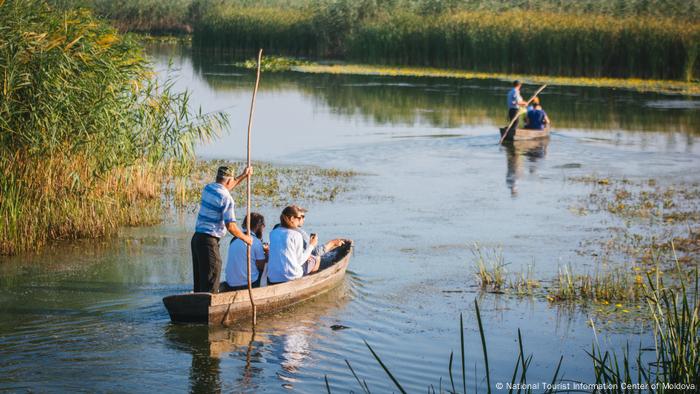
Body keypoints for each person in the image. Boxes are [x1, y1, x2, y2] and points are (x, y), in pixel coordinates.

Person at [191, 165, 253, 293]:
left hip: (196, 239)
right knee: (211, 280)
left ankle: (196, 306)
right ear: (229, 181)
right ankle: (208, 309)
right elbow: (231, 226)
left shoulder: (208, 188)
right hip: (209, 241)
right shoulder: (227, 198)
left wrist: (243, 175)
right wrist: (246, 238)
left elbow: (227, 186)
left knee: (201, 281)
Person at [267, 205, 344, 284]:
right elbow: (300, 261)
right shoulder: (296, 235)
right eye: (300, 217)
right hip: (291, 277)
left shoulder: (273, 233)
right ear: (292, 219)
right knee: (316, 259)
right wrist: (311, 245)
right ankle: (311, 282)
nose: (301, 219)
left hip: (273, 278)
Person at [223, 212, 269, 291]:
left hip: (230, 284)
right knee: (268, 267)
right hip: (249, 285)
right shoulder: (255, 241)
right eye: (263, 226)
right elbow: (261, 266)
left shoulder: (233, 240)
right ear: (259, 226)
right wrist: (268, 255)